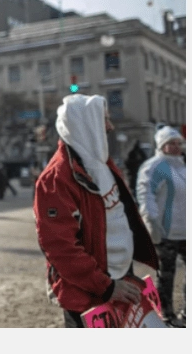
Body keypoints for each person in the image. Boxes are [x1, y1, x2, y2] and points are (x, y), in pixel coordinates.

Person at [34, 94, 158, 328]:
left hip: (121, 278)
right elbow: (61, 247)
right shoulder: (56, 179)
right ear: (85, 124)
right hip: (89, 292)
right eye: (104, 120)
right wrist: (107, 287)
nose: (110, 127)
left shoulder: (102, 163)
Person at [136, 126, 186, 327]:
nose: (176, 147)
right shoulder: (155, 167)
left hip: (186, 230)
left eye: (178, 143)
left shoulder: (183, 166)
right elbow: (146, 195)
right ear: (161, 145)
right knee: (167, 275)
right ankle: (167, 315)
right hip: (166, 232)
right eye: (171, 143)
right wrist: (152, 222)